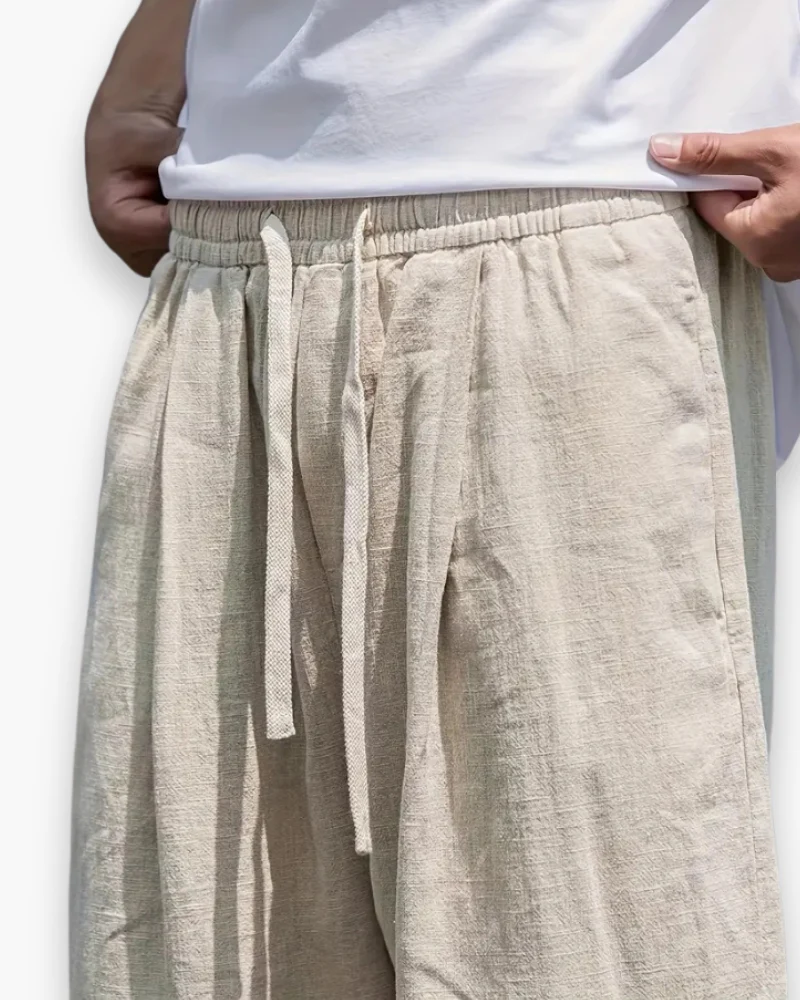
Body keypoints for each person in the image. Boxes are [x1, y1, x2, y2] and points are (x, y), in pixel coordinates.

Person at [71, 1, 800, 997]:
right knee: (195, 960)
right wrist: (164, 41)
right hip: (228, 271)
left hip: (572, 248)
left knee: (596, 956)